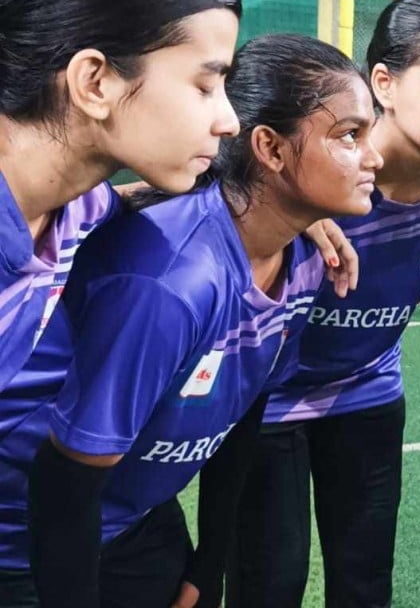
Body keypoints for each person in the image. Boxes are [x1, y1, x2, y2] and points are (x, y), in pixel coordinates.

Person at [0, 34, 383, 608]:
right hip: (30, 543)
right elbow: (67, 482)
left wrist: (208, 568)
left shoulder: (303, 260)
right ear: (271, 150)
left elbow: (242, 410)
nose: (373, 156)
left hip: (136, 521)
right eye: (350, 136)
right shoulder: (172, 281)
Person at [227, 0, 420, 608]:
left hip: (369, 395)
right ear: (385, 83)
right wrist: (286, 209)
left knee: (365, 581)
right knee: (268, 585)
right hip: (268, 405)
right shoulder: (308, 180)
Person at [0, 0, 243, 393]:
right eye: (205, 86)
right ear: (95, 83)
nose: (228, 121)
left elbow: (118, 200)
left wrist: (279, 207)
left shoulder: (71, 203)